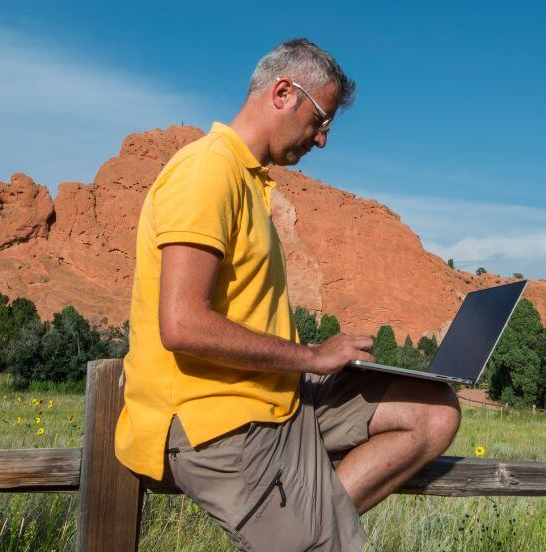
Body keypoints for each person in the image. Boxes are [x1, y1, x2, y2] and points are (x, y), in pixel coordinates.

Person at [114, 38, 461, 551]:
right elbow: (181, 323)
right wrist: (312, 357)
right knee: (333, 545)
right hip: (220, 423)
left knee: (434, 410)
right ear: (282, 92)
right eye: (321, 120)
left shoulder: (250, 182)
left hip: (277, 403)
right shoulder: (207, 171)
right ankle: (311, 532)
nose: (322, 140)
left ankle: (306, 524)